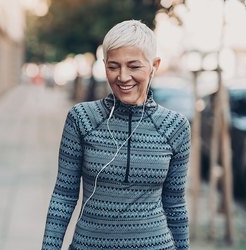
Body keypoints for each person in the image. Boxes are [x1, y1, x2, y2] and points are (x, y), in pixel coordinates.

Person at [42, 20, 191, 250]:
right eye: (113, 66)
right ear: (104, 65)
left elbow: (175, 205)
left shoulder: (175, 126)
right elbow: (63, 196)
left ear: (154, 65)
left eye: (134, 66)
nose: (122, 77)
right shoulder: (82, 118)